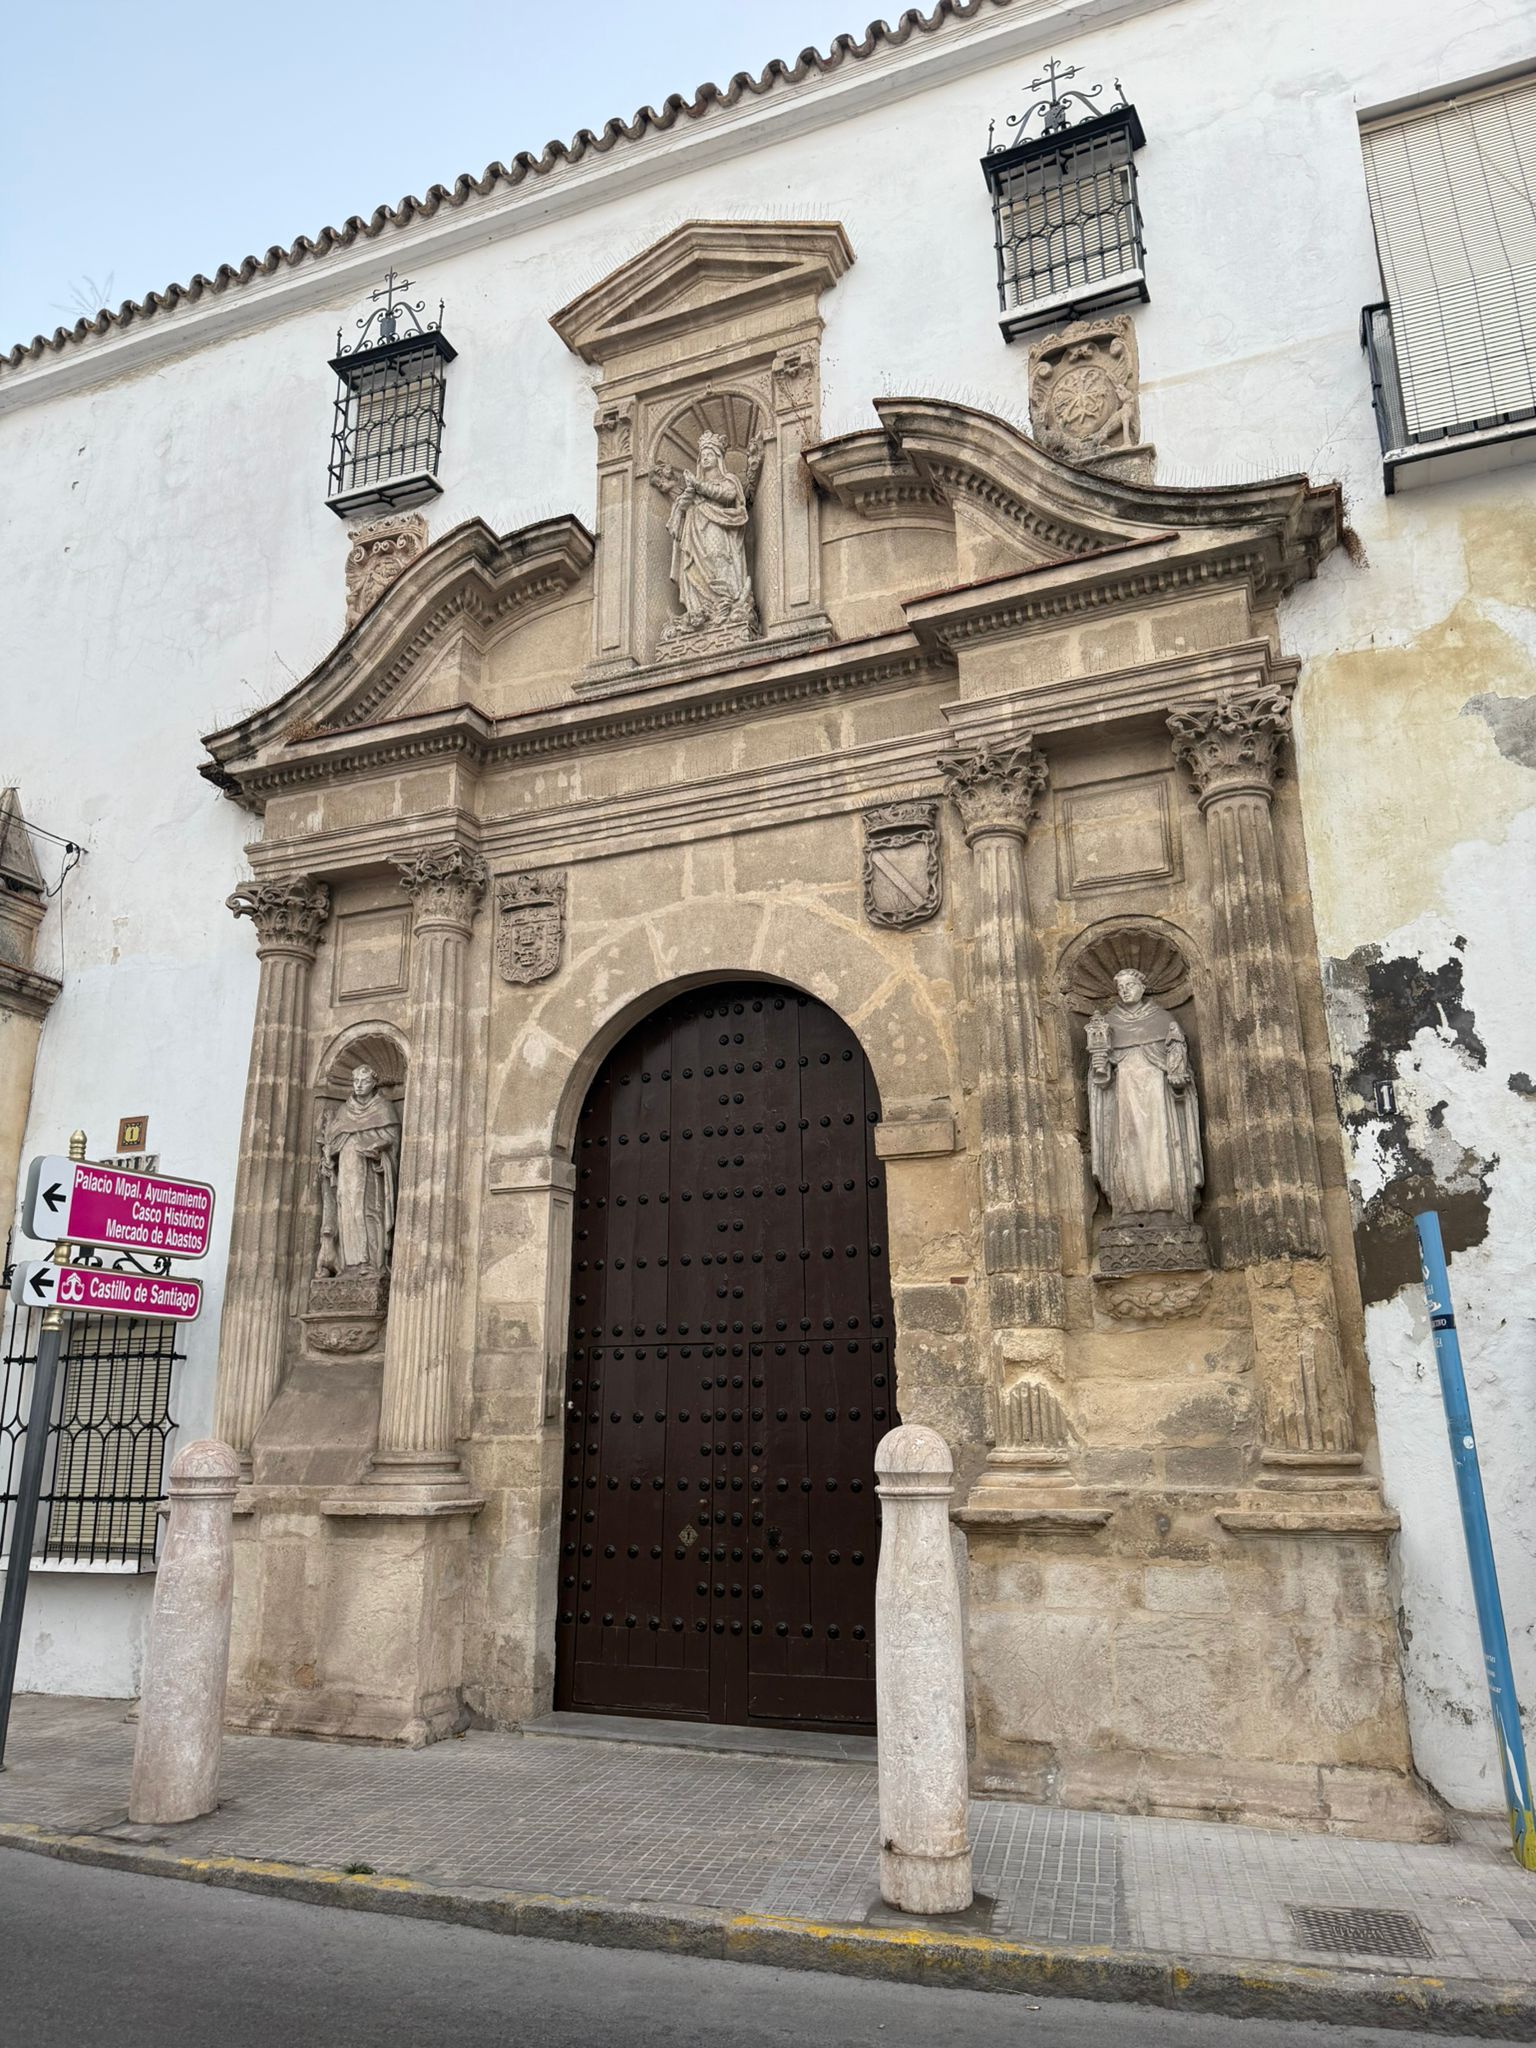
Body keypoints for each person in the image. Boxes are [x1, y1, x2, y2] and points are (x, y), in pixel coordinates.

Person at [1087, 969, 1203, 1222]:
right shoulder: (1108, 1024)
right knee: (1126, 1148)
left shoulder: (1163, 1020)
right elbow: (1101, 1079)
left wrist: (1178, 1081)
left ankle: (1167, 1209)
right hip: (1125, 1098)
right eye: (1121, 987)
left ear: (1142, 987)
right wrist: (1101, 1066)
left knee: (1160, 1147)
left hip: (1157, 1098)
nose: (1125, 990)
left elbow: (1177, 1064)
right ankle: (1129, 1209)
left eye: (1130, 985)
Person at [315, 1063, 401, 1276]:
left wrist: (380, 1153)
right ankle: (347, 1265)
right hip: (346, 1174)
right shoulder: (344, 1111)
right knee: (347, 1213)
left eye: (364, 1081)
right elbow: (333, 1142)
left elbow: (392, 1141)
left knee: (367, 1213)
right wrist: (329, 1159)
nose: (359, 1085)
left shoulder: (384, 1108)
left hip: (372, 1176)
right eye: (355, 1081)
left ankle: (372, 1263)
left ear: (374, 1083)